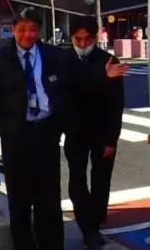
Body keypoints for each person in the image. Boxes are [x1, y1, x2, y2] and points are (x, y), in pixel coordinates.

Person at [0, 8, 128, 250]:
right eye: (22, 29)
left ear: (39, 30)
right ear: (13, 30)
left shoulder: (54, 55)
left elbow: (79, 76)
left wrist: (102, 74)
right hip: (16, 136)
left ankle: (52, 245)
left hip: (47, 134)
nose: (27, 34)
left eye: (32, 29)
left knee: (49, 200)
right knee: (19, 200)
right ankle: (24, 245)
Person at [64, 16, 124, 249]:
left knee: (101, 181)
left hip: (102, 131)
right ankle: (85, 223)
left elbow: (116, 104)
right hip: (74, 131)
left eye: (87, 38)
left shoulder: (108, 60)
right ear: (71, 37)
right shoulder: (64, 60)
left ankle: (95, 225)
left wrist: (111, 139)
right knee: (76, 180)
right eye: (77, 38)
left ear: (96, 36)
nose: (82, 43)